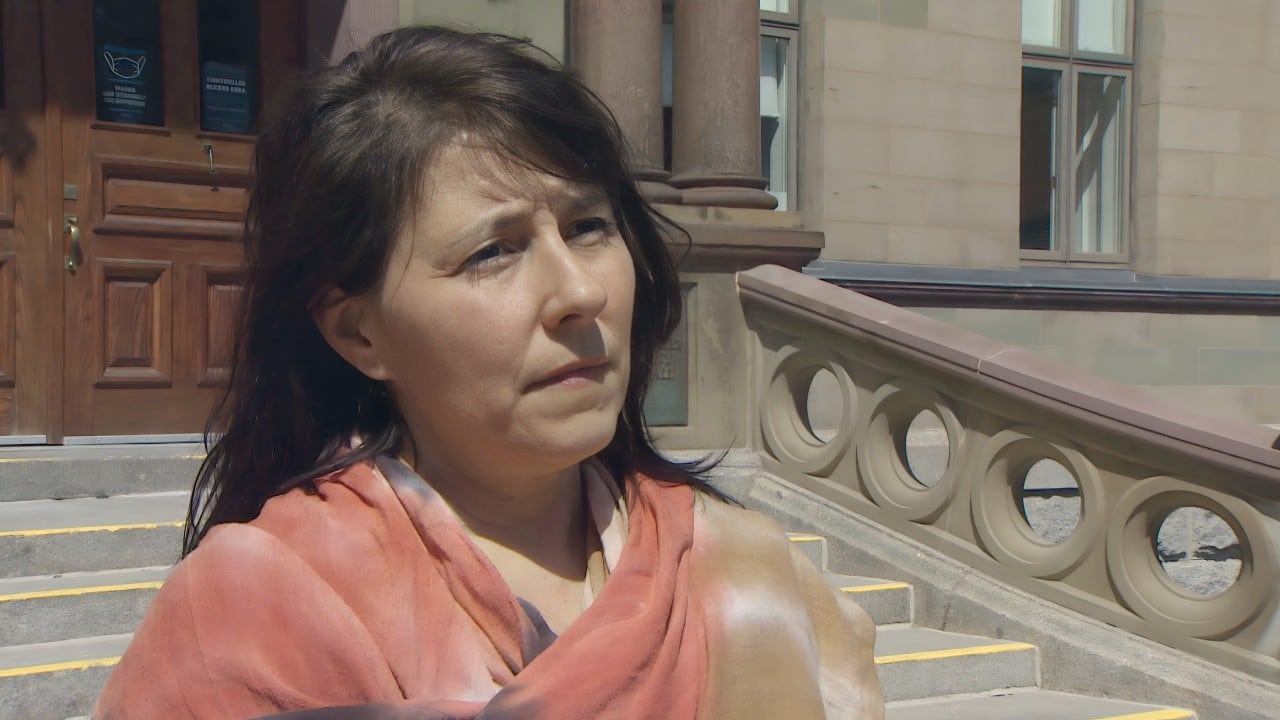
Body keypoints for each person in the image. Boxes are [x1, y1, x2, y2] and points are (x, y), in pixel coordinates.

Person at [93, 26, 883, 720]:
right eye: (493, 251)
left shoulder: (744, 572)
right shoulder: (255, 613)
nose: (580, 292)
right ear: (357, 333)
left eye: (589, 226)